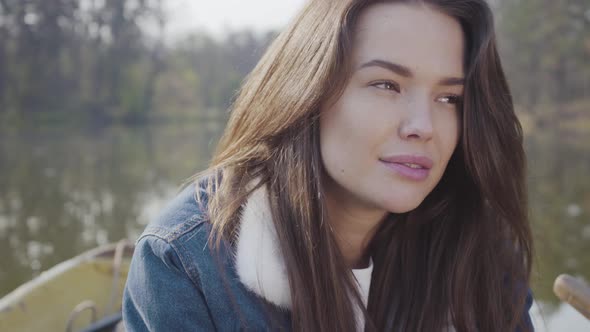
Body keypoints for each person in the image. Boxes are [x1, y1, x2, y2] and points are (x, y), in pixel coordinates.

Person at [123, 0, 535, 331]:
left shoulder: (479, 241)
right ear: (308, 92)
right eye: (386, 85)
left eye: (450, 99)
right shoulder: (187, 262)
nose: (423, 127)